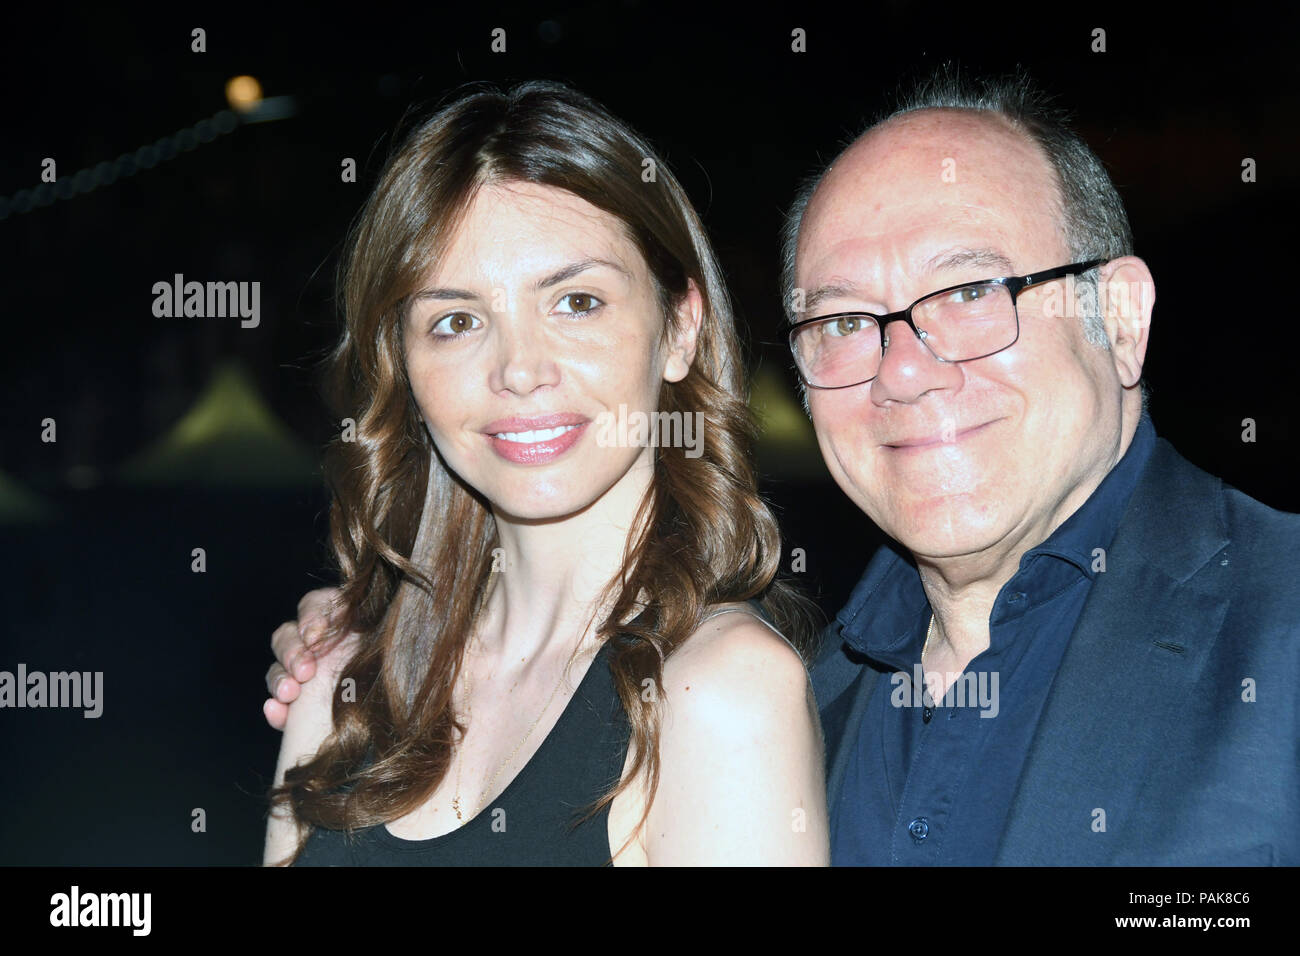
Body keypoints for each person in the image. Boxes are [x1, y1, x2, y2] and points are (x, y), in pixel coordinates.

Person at [262, 80, 828, 866]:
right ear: (405, 367)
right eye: (456, 322)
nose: (519, 370)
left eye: (577, 302)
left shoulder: (722, 696)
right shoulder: (340, 687)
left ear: (680, 328)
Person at [785, 66, 1300, 864]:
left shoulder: (1281, 634)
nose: (904, 371)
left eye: (968, 292)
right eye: (846, 320)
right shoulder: (776, 716)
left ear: (1121, 320)